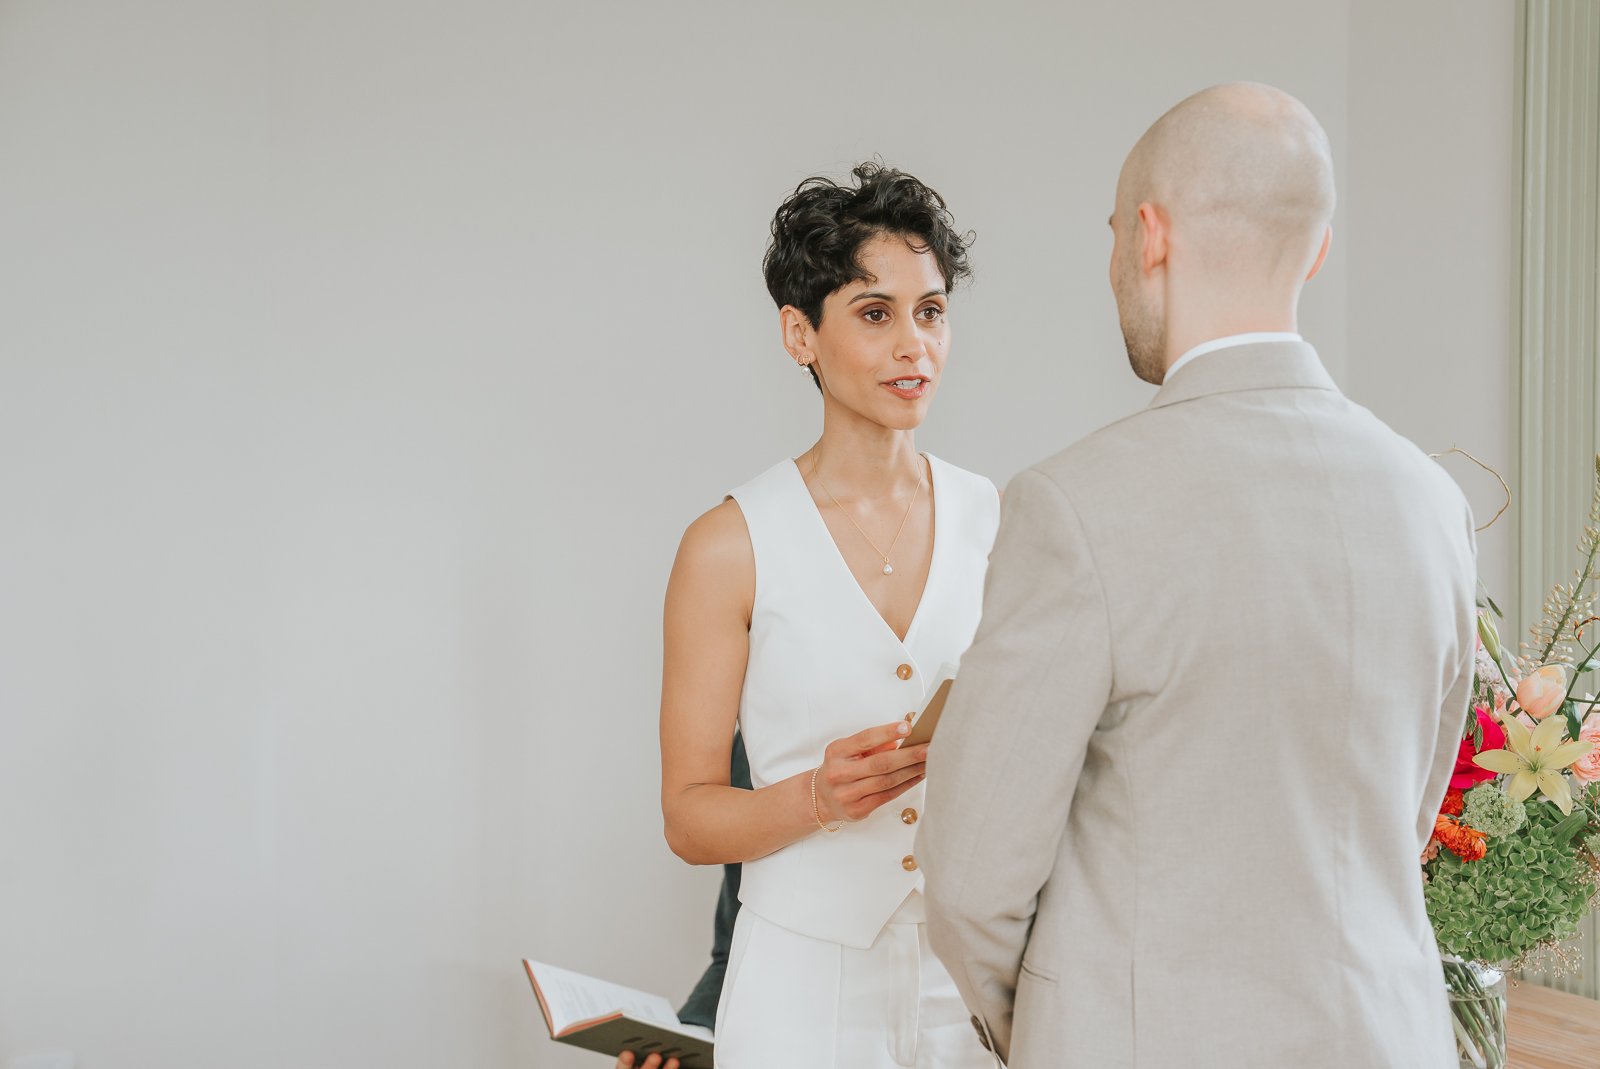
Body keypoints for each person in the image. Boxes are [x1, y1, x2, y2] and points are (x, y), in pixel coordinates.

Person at [915, 82, 1477, 1069]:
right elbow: (1409, 813)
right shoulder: (1430, 502)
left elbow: (969, 883)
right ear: (1316, 250)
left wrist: (1065, 1029)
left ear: (1148, 236)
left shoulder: (1073, 504)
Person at [655, 162, 1001, 1068]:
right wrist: (814, 797)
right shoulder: (727, 545)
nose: (912, 346)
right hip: (798, 989)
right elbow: (689, 817)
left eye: (930, 311)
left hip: (963, 986)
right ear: (799, 333)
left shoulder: (1000, 523)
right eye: (875, 313)